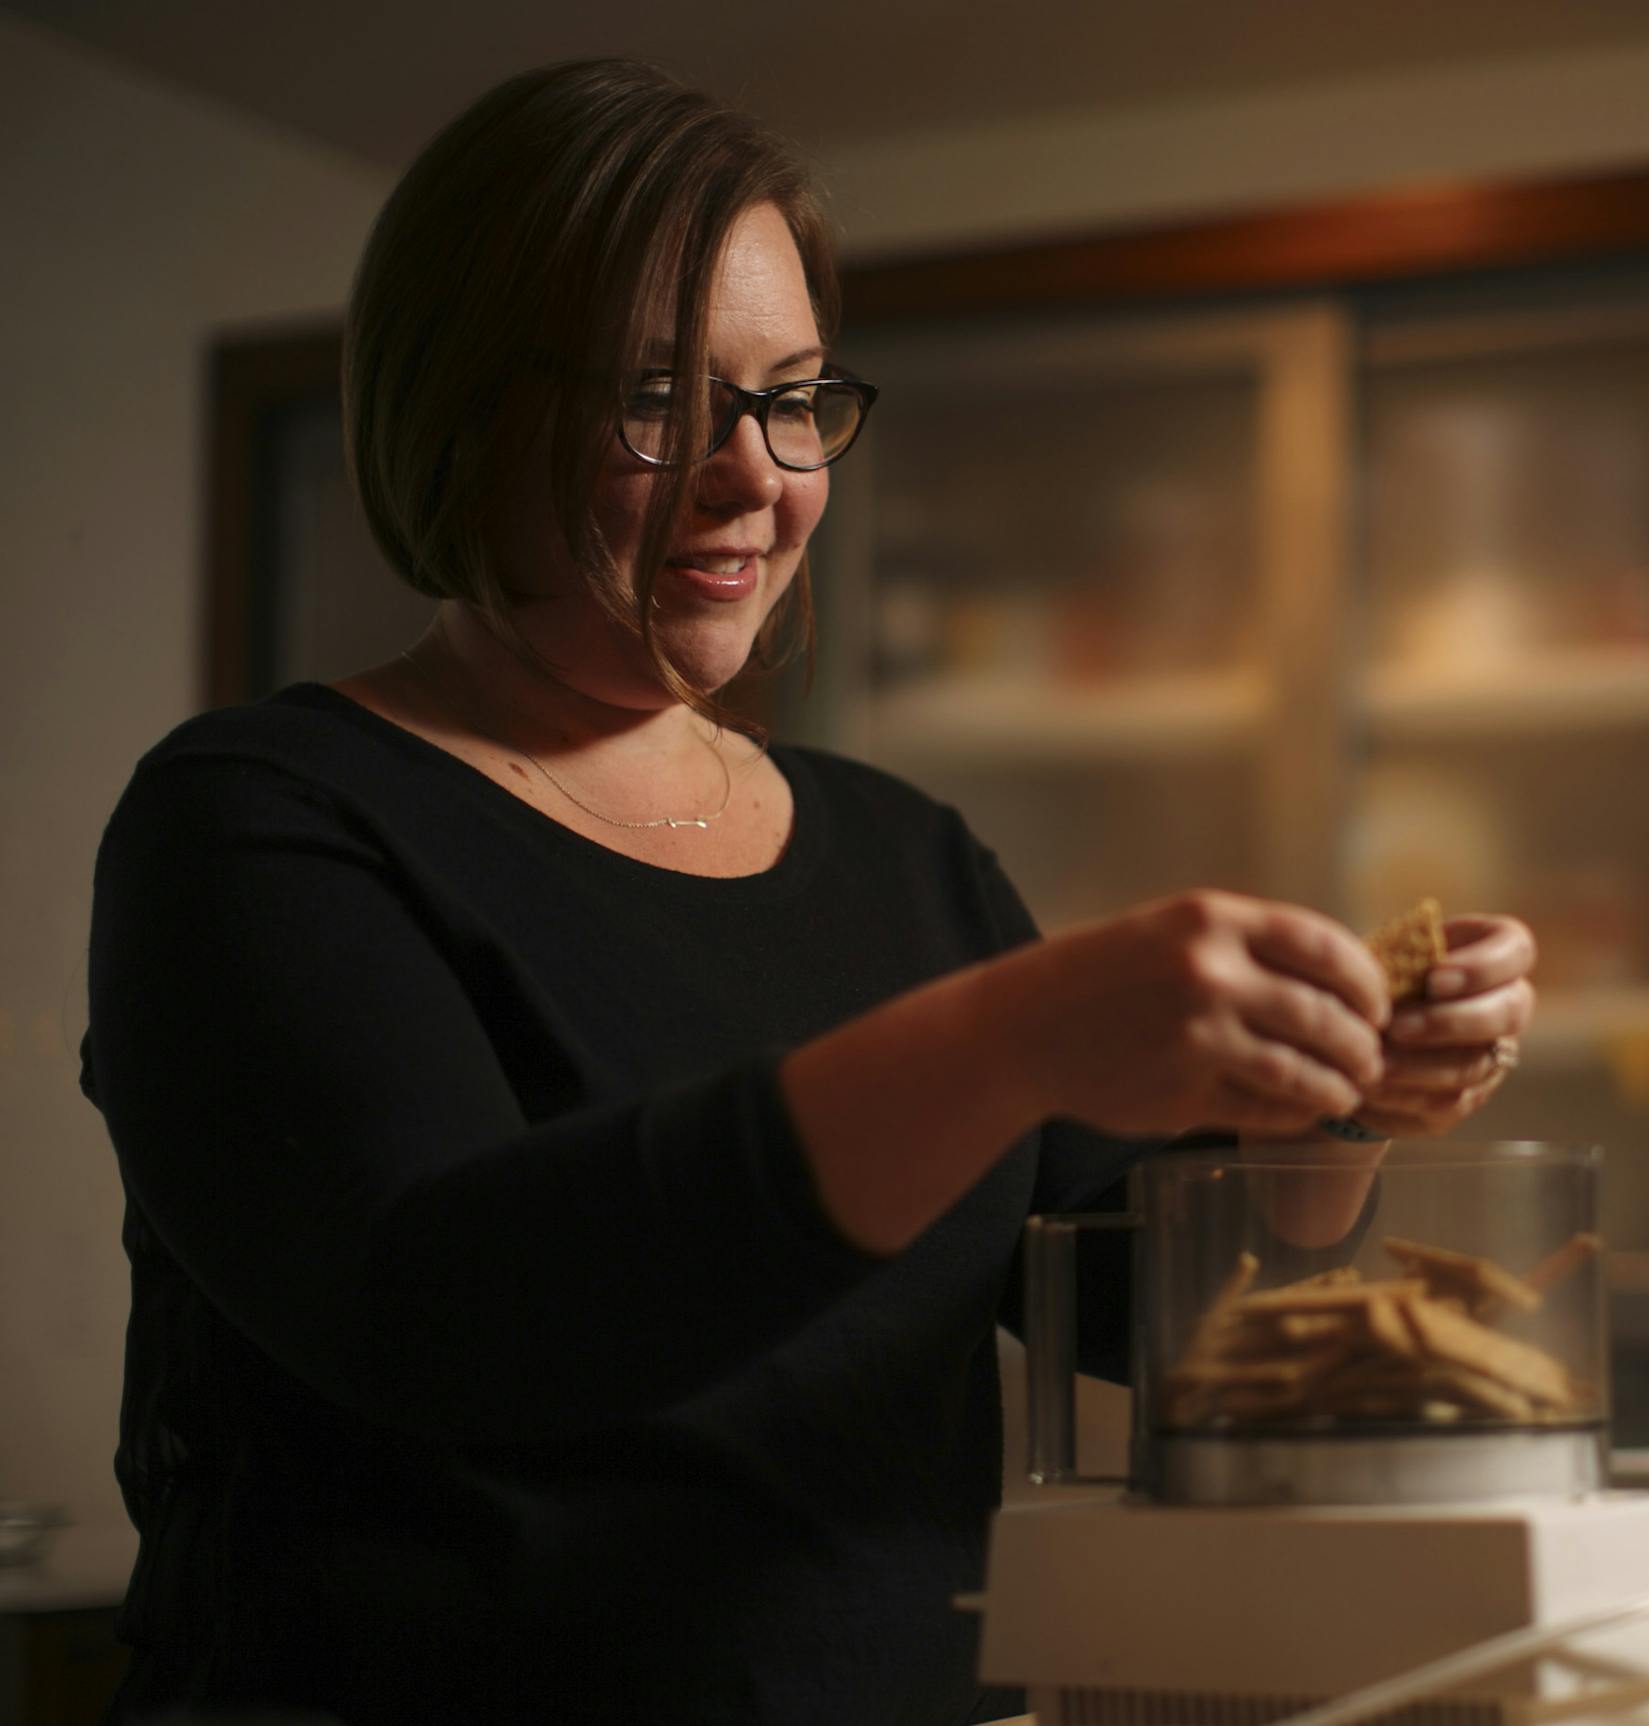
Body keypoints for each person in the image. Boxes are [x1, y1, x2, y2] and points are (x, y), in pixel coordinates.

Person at [79, 58, 1538, 1726]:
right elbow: (453, 1316)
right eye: (655, 397)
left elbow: (1152, 1320)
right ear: (463, 412)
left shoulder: (905, 855)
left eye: (791, 397)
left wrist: (1330, 1121)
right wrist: (1011, 1036)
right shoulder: (262, 819)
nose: (752, 474)